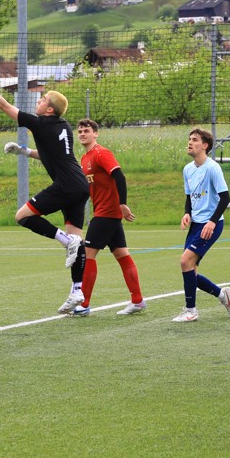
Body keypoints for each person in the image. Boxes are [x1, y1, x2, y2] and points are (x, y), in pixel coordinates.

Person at [0, 67, 89, 314]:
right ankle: (77, 291)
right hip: (79, 186)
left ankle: (66, 240)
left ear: (49, 109)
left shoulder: (41, 123)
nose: (38, 101)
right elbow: (51, 155)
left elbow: (5, 107)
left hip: (66, 185)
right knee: (77, 241)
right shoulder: (63, 126)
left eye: (43, 99)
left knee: (23, 216)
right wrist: (23, 151)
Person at [71, 118, 146, 317]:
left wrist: (122, 204)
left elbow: (119, 176)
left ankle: (84, 304)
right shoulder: (85, 158)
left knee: (87, 255)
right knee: (122, 254)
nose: (82, 134)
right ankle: (137, 300)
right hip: (105, 213)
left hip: (107, 213)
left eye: (87, 131)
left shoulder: (101, 153)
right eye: (80, 131)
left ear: (95, 134)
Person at [174, 128, 230, 322]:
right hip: (196, 224)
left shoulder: (212, 168)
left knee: (185, 261)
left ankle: (190, 310)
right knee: (190, 269)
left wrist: (212, 221)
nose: (190, 142)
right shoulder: (188, 169)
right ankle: (221, 295)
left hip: (211, 224)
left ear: (205, 145)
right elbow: (189, 196)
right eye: (189, 139)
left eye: (195, 140)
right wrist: (187, 213)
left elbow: (225, 198)